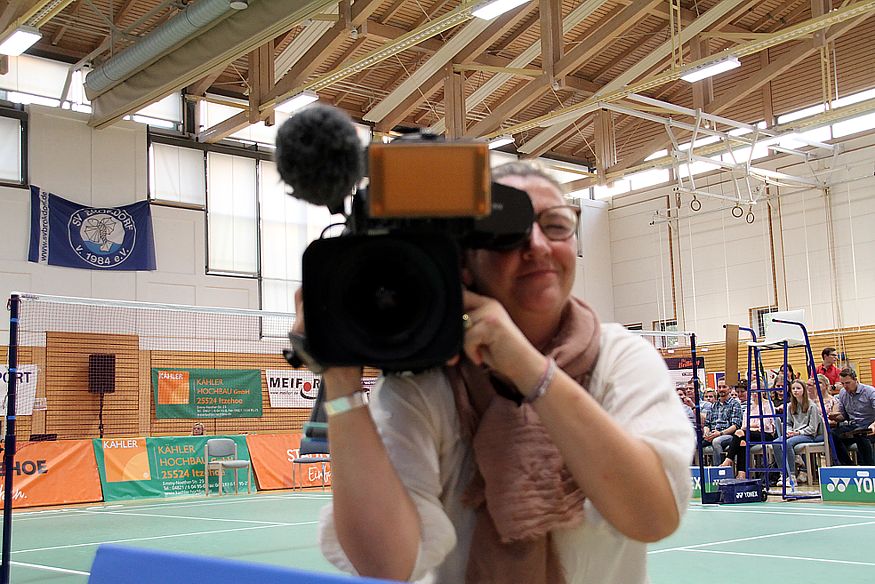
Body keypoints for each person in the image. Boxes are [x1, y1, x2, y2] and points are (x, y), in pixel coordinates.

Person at [306, 161, 696, 583]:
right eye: (505, 232)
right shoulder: (424, 383)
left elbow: (652, 516)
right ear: (464, 263)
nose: (537, 245)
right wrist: (340, 378)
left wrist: (525, 366)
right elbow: (385, 565)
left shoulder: (620, 358)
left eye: (557, 225)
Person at [771, 380, 822, 489]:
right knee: (776, 443)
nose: (795, 391)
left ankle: (791, 475)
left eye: (798, 388)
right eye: (793, 388)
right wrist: (788, 431)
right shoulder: (790, 406)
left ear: (804, 390)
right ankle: (782, 474)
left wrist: (798, 432)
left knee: (787, 443)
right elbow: (788, 423)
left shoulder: (812, 406)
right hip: (794, 433)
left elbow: (813, 428)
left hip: (808, 435)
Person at [720, 390, 776, 479]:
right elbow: (744, 425)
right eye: (752, 391)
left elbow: (765, 425)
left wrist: (751, 427)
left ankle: (728, 459)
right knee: (742, 442)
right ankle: (741, 474)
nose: (754, 393)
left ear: (763, 392)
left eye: (756, 391)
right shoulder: (749, 407)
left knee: (739, 433)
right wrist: (752, 426)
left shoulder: (768, 405)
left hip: (766, 434)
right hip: (749, 434)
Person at [828, 368, 875, 466]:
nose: (845, 386)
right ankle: (847, 465)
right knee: (832, 435)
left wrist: (873, 425)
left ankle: (869, 467)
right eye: (843, 383)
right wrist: (834, 417)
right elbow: (843, 416)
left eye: (848, 383)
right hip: (854, 426)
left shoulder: (870, 392)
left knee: (860, 434)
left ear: (856, 380)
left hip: (869, 426)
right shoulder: (842, 393)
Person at [703, 382, 743, 465]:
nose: (721, 389)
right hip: (713, 433)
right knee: (694, 442)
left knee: (716, 441)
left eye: (724, 387)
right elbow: (707, 424)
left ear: (730, 389)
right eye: (719, 387)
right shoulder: (713, 405)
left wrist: (720, 433)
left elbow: (736, 426)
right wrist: (706, 432)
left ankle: (720, 471)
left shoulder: (735, 404)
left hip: (728, 435)